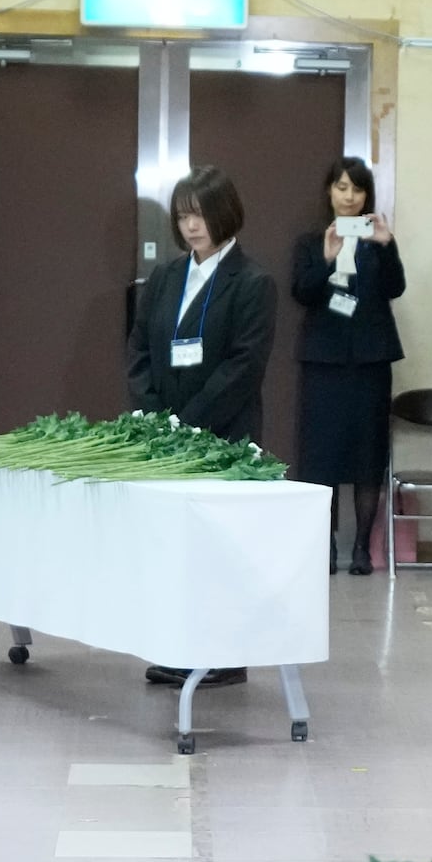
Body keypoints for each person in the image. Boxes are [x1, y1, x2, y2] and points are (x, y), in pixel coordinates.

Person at [127, 165, 276, 688]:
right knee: (176, 546)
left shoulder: (253, 282)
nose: (191, 226)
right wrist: (152, 416)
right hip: (166, 435)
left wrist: (187, 426)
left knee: (219, 548)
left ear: (225, 215)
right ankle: (181, 646)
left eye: (200, 215)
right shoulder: (166, 277)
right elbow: (140, 348)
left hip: (222, 436)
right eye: (183, 216)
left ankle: (224, 656)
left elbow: (243, 367)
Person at [290, 157, 405, 576]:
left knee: (366, 456)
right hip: (324, 361)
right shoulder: (310, 241)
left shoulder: (377, 240)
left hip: (370, 362)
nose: (348, 196)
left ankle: (360, 549)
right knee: (323, 457)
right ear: (329, 192)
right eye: (341, 187)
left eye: (356, 189)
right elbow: (301, 293)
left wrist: (386, 244)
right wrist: (326, 258)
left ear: (366, 195)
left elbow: (396, 288)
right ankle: (327, 547)